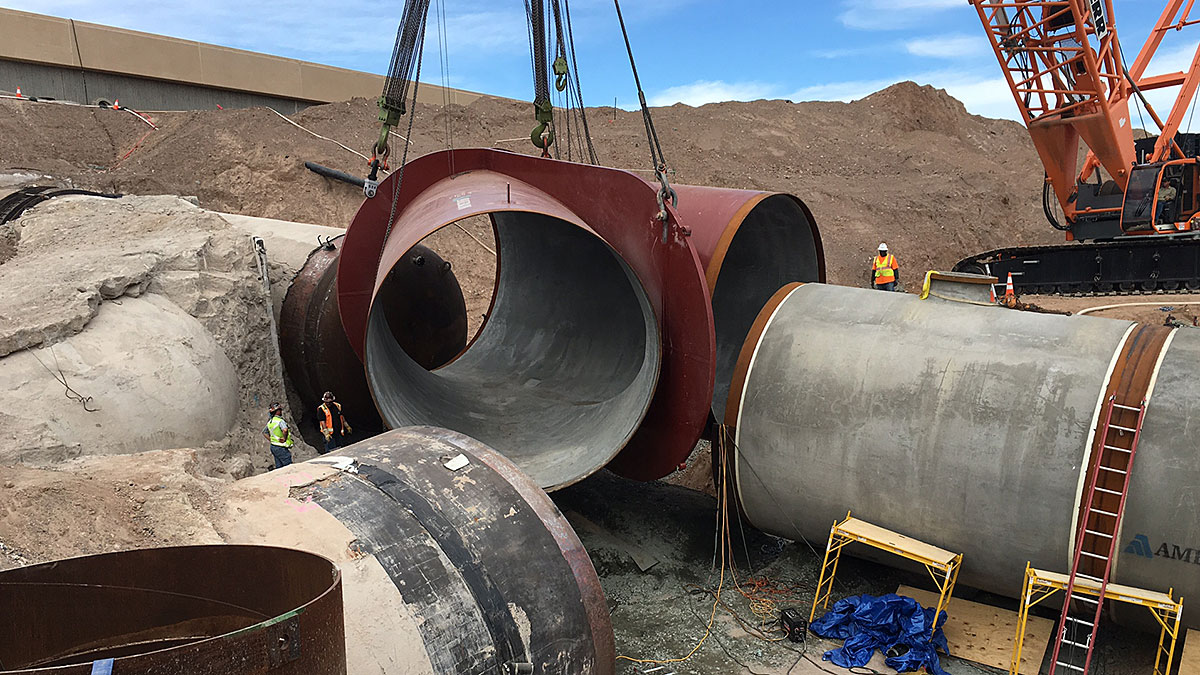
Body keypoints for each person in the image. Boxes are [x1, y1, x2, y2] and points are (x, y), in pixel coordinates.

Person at [262, 402, 294, 469]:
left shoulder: (270, 422)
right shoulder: (280, 421)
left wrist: (271, 440)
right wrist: (284, 439)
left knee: (279, 467)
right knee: (288, 466)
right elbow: (285, 430)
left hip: (273, 446)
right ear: (277, 411)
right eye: (280, 410)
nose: (281, 411)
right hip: (281, 447)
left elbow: (264, 432)